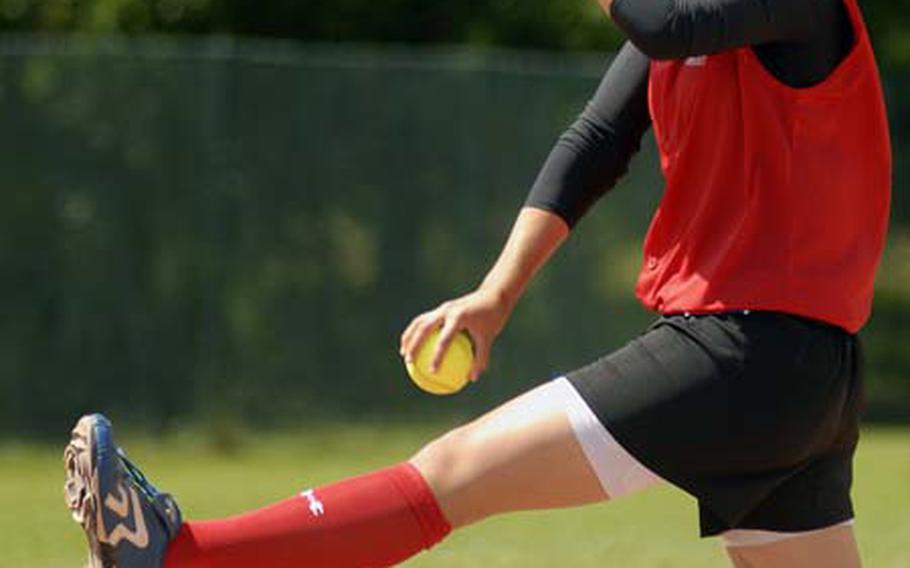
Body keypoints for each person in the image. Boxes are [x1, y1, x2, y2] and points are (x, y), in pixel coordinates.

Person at [63, 0, 891, 566]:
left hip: (744, 353)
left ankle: (179, 555)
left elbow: (669, 22)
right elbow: (597, 140)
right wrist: (495, 294)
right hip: (798, 374)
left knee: (452, 474)